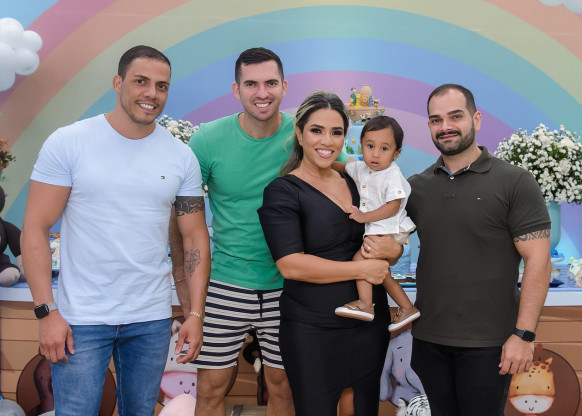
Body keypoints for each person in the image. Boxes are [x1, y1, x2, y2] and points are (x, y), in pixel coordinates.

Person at [168, 47, 401, 415]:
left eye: (271, 83)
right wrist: (184, 286)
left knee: (284, 387)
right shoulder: (207, 141)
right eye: (251, 84)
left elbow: (350, 179)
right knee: (211, 386)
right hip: (228, 282)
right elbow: (183, 220)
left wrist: (394, 243)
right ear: (236, 89)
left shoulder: (311, 131)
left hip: (287, 290)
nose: (262, 92)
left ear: (284, 86)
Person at [21, 45, 211, 415]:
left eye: (161, 86)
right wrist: (46, 311)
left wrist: (195, 314)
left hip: (151, 317)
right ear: (117, 83)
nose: (151, 93)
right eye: (141, 81)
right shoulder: (69, 142)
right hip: (80, 318)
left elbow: (194, 237)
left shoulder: (180, 156)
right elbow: (35, 228)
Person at [407, 84, 551, 416]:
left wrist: (524, 335)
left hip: (490, 345)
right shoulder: (416, 187)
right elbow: (387, 241)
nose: (445, 127)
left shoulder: (515, 181)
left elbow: (538, 261)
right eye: (436, 120)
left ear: (477, 119)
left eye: (455, 116)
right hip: (429, 340)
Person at [258, 90, 401, 416]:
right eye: (316, 130)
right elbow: (291, 265)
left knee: (362, 409)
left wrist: (393, 250)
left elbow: (384, 239)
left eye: (336, 132)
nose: (327, 141)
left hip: (368, 324)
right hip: (312, 327)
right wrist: (361, 270)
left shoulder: (356, 182)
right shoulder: (283, 191)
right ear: (299, 134)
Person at [333, 116, 420, 331]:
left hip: (391, 227)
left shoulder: (392, 174)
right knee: (382, 272)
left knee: (360, 259)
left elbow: (393, 205)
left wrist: (364, 217)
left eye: (384, 148)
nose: (375, 154)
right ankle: (407, 307)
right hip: (381, 227)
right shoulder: (361, 168)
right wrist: (319, 163)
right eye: (370, 146)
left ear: (396, 153)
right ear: (361, 145)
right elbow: (342, 167)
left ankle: (365, 304)